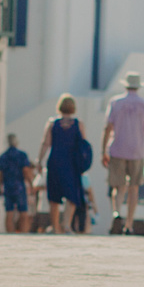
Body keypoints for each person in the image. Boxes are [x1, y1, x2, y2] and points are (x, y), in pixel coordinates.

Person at [103, 72, 144, 234]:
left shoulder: (115, 102)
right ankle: (129, 224)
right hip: (137, 151)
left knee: (118, 186)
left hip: (117, 148)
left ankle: (116, 212)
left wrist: (103, 150)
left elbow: (107, 128)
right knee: (134, 188)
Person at [43, 95, 91, 235]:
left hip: (55, 161)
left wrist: (39, 160)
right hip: (71, 163)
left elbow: (46, 143)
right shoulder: (78, 123)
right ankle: (67, 225)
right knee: (72, 195)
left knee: (54, 196)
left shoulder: (52, 123)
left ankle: (54, 226)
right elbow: (84, 145)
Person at [0, 134, 34, 233]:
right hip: (19, 186)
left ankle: (10, 232)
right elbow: (26, 171)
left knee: (9, 211)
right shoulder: (22, 155)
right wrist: (31, 184)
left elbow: (0, 174)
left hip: (7, 186)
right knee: (23, 211)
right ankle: (23, 232)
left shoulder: (3, 156)